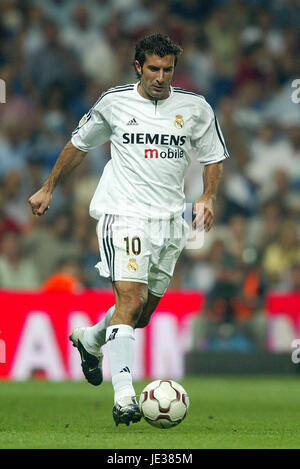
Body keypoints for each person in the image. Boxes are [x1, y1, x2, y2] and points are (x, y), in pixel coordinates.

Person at [28, 34, 229, 426]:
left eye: (167, 70)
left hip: (171, 223)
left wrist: (208, 196)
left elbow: (213, 156)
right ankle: (124, 398)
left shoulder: (195, 108)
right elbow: (78, 145)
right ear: (138, 66)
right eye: (153, 68)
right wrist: (48, 186)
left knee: (142, 314)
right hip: (123, 215)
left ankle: (90, 340)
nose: (160, 77)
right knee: (132, 300)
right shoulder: (115, 102)